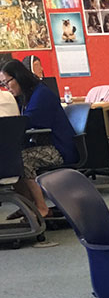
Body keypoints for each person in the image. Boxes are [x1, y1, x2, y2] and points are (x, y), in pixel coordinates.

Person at [0, 58, 76, 219]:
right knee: (12, 158)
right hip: (44, 144)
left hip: (59, 148)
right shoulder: (27, 96)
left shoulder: (41, 94)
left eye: (7, 83)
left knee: (22, 159)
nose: (6, 88)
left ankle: (42, 208)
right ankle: (28, 205)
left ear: (18, 77)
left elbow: (27, 122)